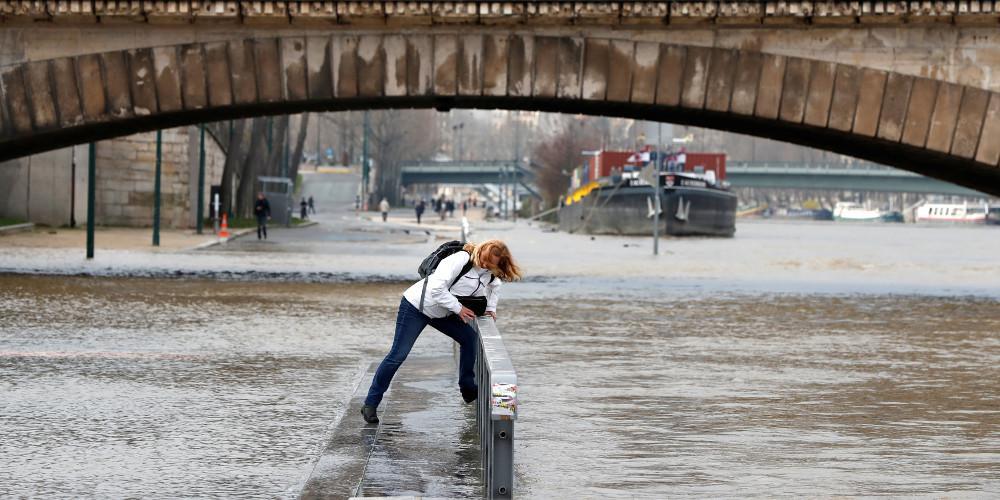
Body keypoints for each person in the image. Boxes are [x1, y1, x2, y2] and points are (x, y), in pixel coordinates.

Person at [361, 240, 522, 424]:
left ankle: (468, 389)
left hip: (443, 312)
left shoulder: (490, 273)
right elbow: (436, 288)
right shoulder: (461, 259)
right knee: (398, 355)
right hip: (417, 307)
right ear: (480, 251)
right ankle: (370, 403)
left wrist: (491, 308)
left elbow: (495, 286)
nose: (484, 265)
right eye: (483, 259)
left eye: (490, 264)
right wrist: (459, 308)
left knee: (470, 338)